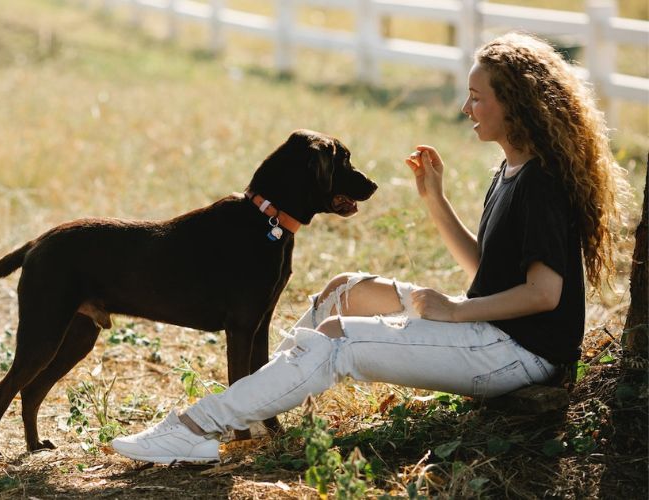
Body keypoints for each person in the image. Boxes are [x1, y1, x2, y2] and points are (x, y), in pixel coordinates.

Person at [110, 32, 628, 464]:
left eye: (477, 96)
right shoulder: (512, 168)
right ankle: (263, 406)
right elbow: (489, 269)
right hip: (491, 330)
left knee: (340, 338)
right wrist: (435, 201)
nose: (465, 107)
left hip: (519, 353)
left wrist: (454, 310)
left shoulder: (540, 183)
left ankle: (199, 425)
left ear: (513, 104)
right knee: (344, 291)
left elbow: (544, 294)